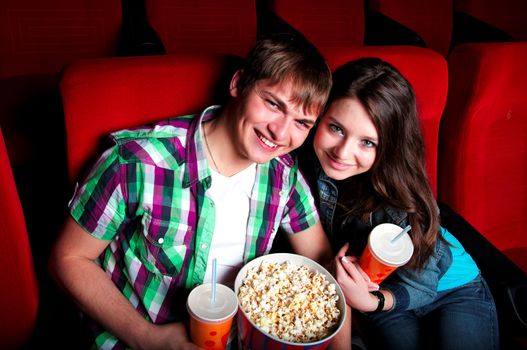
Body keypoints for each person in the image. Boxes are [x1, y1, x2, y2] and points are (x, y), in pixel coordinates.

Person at [48, 34, 348, 349]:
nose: (281, 132)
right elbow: (67, 258)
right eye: (273, 104)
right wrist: (148, 338)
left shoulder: (285, 177)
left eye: (301, 123)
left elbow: (322, 265)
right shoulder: (136, 162)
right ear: (238, 84)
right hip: (139, 335)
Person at [298, 57, 499, 350]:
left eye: (368, 142)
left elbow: (423, 283)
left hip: (451, 288)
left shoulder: (399, 194)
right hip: (381, 285)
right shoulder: (298, 153)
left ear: (388, 146)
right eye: (336, 128)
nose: (342, 152)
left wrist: (370, 301)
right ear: (321, 115)